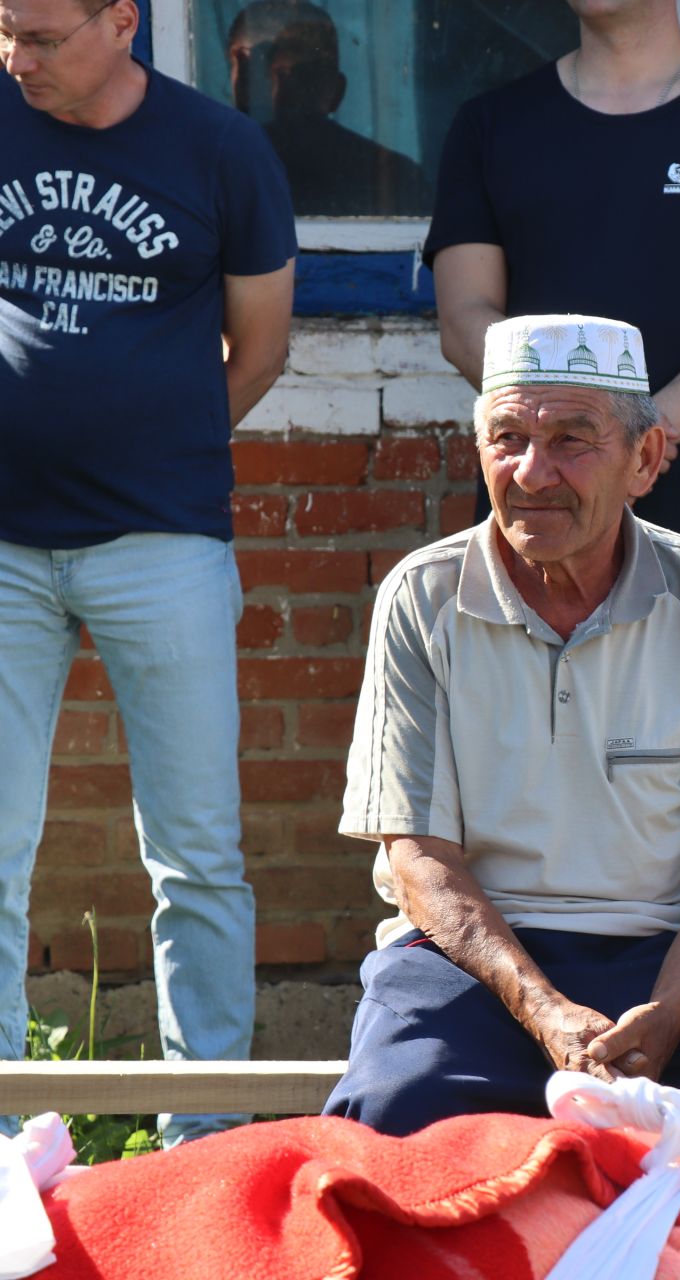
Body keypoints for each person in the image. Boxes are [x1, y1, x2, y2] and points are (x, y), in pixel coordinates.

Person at [322, 314, 680, 1140]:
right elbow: (420, 857)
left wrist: (673, 1010)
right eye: (508, 438)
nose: (534, 472)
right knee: (398, 1116)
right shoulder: (422, 597)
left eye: (573, 438)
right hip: (475, 961)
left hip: (674, 952)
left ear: (644, 461)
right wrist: (541, 1009)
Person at [0, 0, 296, 1143]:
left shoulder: (220, 151)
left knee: (197, 852)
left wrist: (157, 443)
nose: (16, 60)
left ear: (121, 22)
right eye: (4, 34)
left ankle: (207, 1139)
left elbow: (262, 344)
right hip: (6, 547)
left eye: (40, 37)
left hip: (162, 541)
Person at [427, 0, 680, 639]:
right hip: (535, 545)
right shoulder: (492, 125)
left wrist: (639, 440)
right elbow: (462, 318)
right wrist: (572, 441)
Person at [226, 0, 434, 217]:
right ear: (337, 91)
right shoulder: (393, 177)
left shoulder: (208, 170)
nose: (285, 92)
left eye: (301, 77)